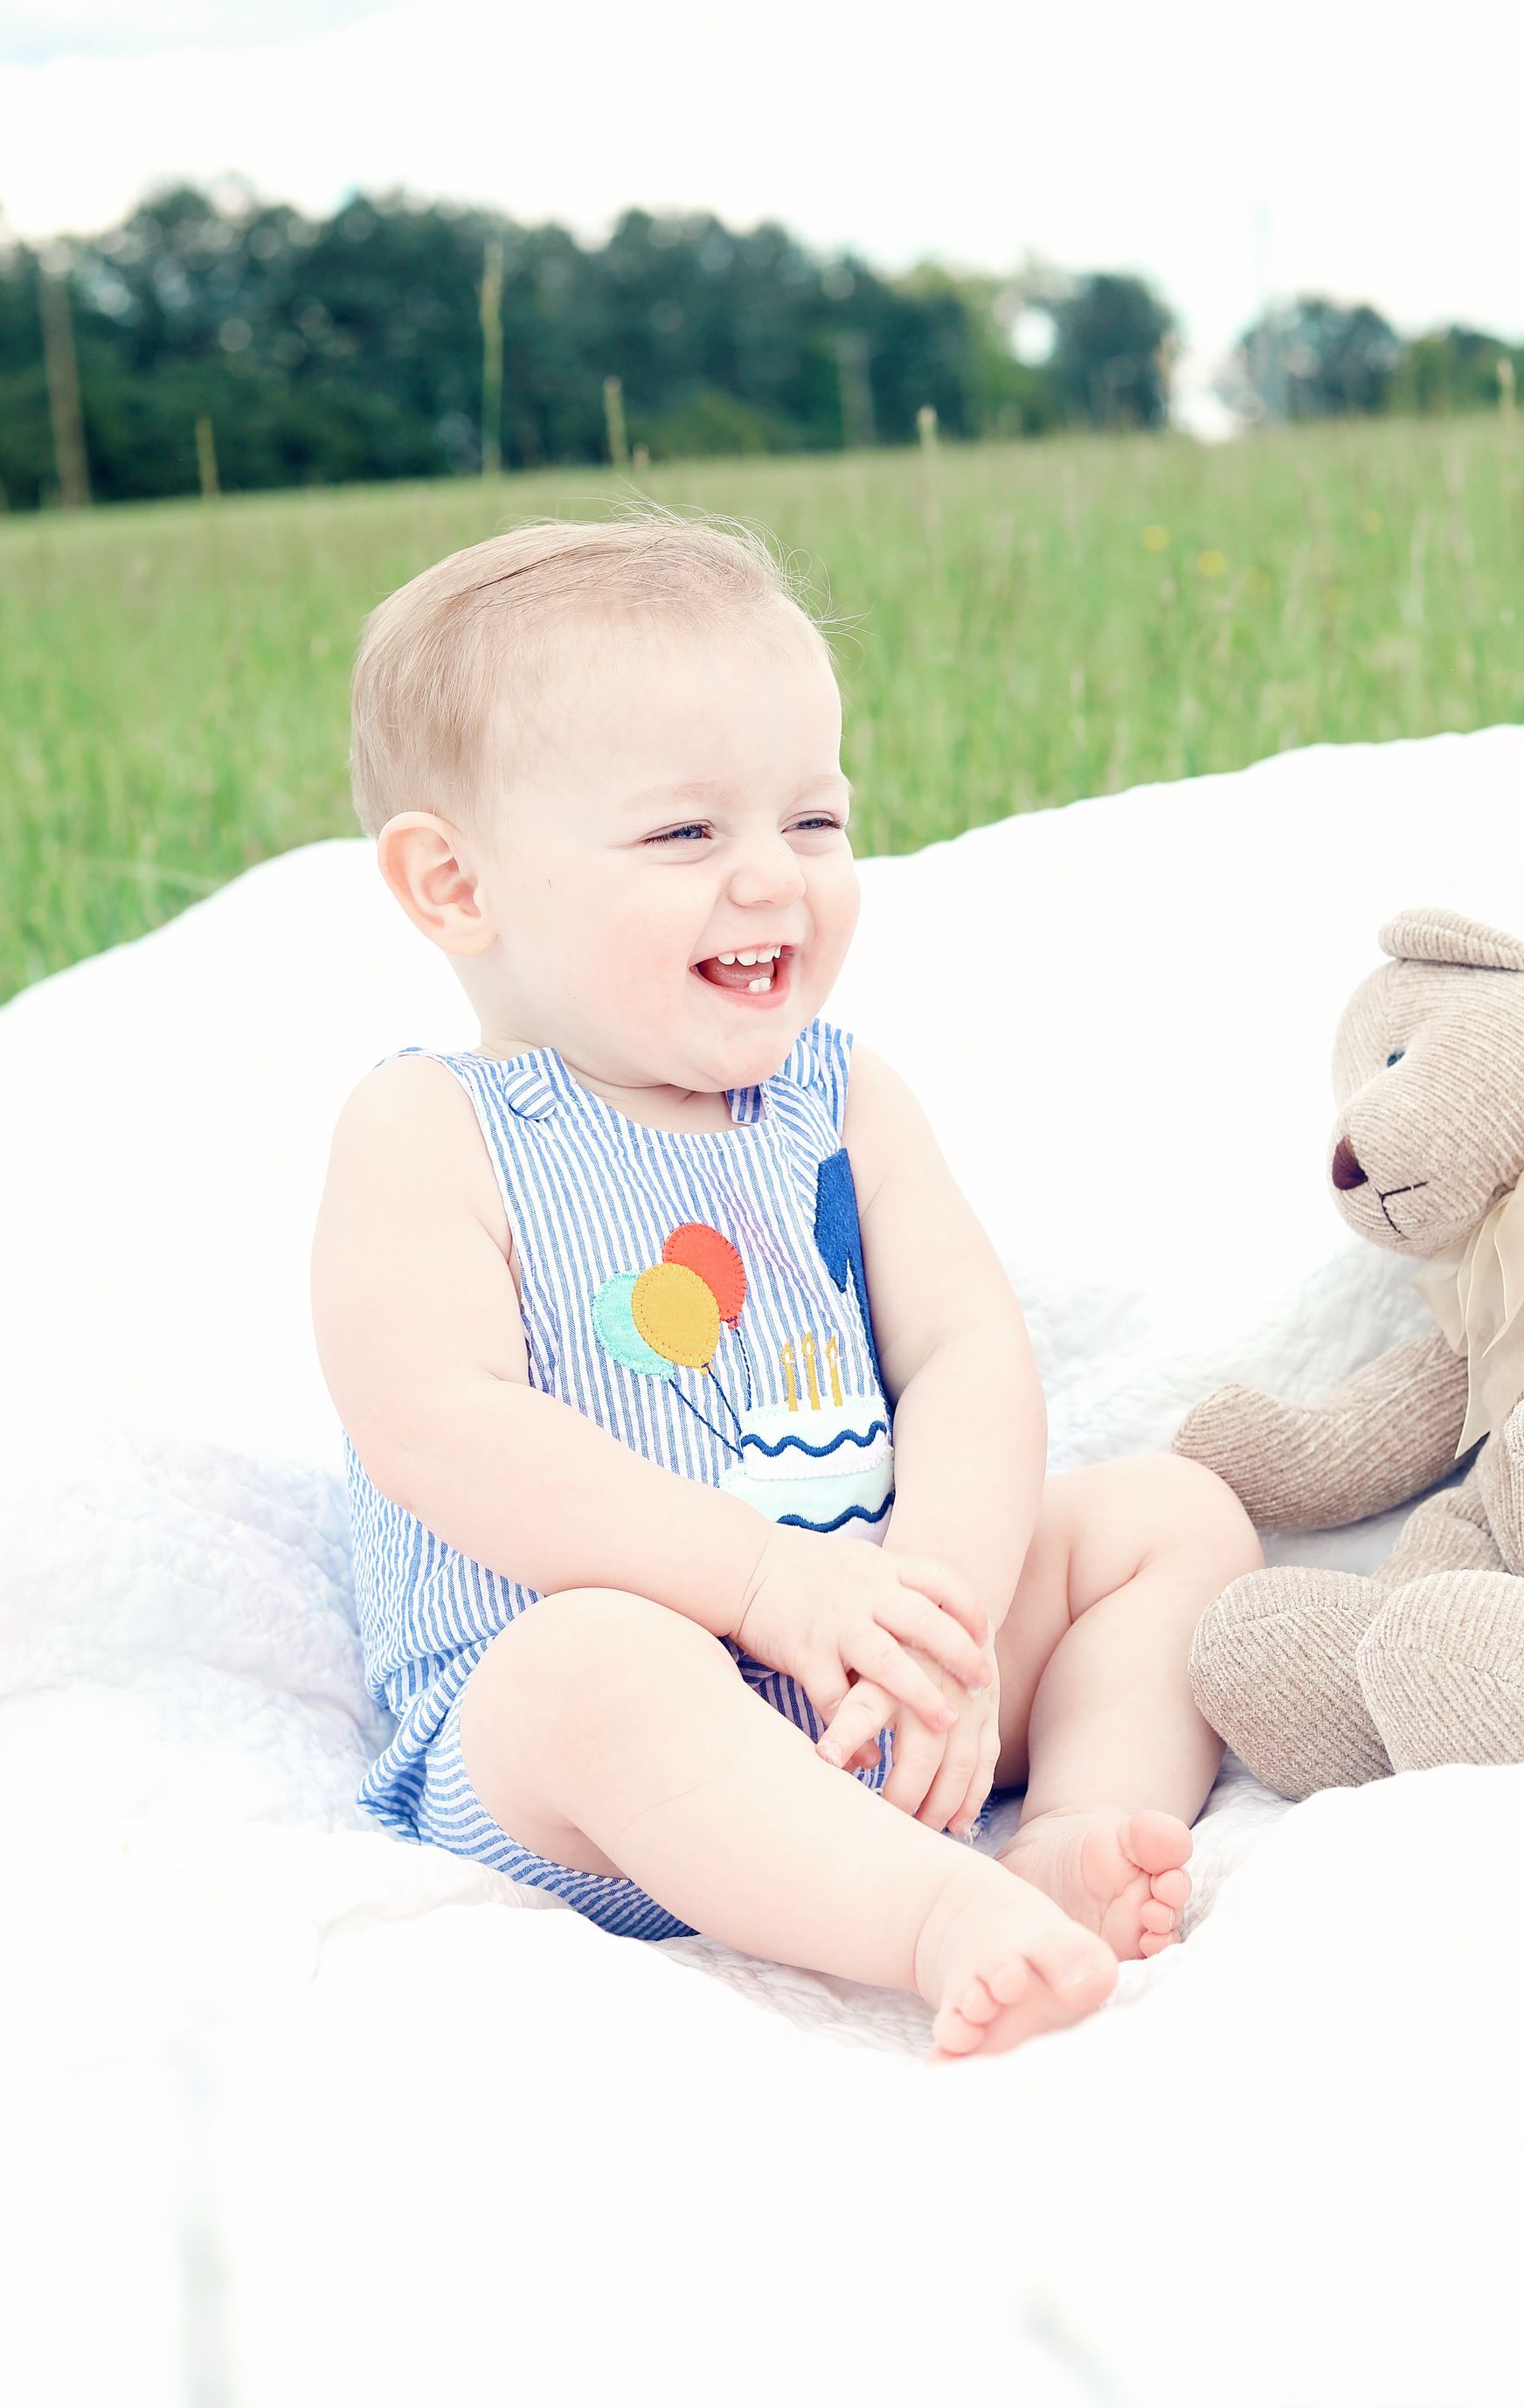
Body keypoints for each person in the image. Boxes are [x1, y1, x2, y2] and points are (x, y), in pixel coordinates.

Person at [312, 515, 1259, 2058]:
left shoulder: (843, 1097)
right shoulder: (432, 1132)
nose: (773, 878)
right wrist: (768, 1589)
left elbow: (964, 1351)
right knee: (596, 1666)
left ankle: (1070, 1840)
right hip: (591, 1757)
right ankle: (927, 1918)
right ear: (456, 886)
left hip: (872, 1688)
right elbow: (443, 1426)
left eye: (812, 822)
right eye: (686, 836)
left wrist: (937, 1616)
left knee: (1170, 1520)